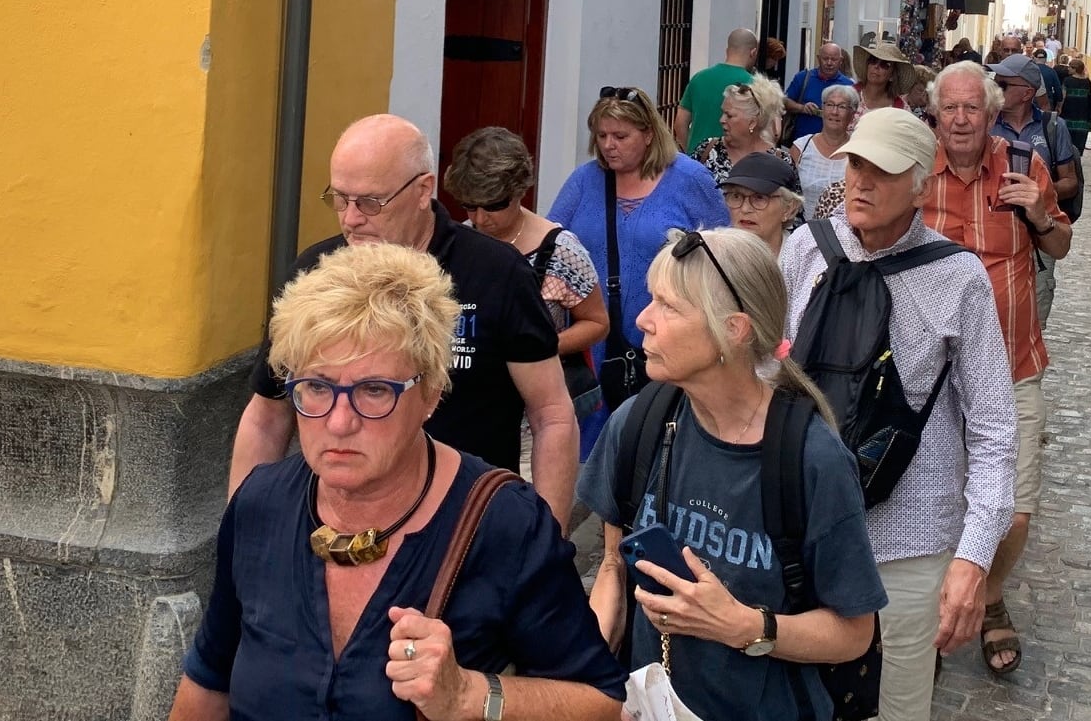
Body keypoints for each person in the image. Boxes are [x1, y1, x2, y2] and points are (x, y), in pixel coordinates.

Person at [169, 243, 626, 721]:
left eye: (374, 390)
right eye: (317, 387)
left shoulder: (506, 523)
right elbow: (208, 682)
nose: (339, 422)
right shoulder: (258, 507)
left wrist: (468, 695)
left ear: (429, 394)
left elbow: (602, 703)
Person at [580, 227, 886, 721]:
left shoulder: (812, 459)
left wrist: (741, 625)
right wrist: (593, 674)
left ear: (735, 330)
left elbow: (854, 633)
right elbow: (615, 565)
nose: (642, 319)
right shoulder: (638, 424)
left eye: (669, 306)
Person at [229, 115, 579, 533]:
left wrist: (548, 541)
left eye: (371, 202)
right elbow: (267, 415)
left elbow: (552, 414)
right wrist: (239, 532)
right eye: (340, 199)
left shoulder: (497, 273)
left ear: (422, 190)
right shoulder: (314, 274)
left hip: (467, 529)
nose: (351, 219)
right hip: (335, 528)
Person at [782, 108, 1019, 721]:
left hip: (909, 540)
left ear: (920, 183)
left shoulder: (958, 276)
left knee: (899, 703)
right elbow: (768, 377)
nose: (861, 180)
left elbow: (993, 428)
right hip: (801, 526)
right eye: (855, 163)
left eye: (881, 170)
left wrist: (974, 556)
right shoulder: (807, 247)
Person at [923, 62, 1072, 676]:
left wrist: (1040, 213)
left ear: (990, 113)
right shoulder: (912, 170)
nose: (960, 119)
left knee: (1013, 511)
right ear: (936, 114)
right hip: (928, 369)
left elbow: (1059, 245)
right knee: (931, 500)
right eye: (950, 109)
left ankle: (986, 595)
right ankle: (928, 607)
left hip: (1012, 362)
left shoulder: (1021, 165)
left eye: (972, 108)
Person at [548, 86, 729, 458]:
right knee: (589, 450)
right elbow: (550, 245)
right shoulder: (585, 181)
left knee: (655, 444)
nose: (608, 145)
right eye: (601, 136)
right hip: (591, 346)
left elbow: (723, 254)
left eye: (620, 136)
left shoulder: (689, 179)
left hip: (667, 339)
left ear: (648, 134)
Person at [442, 126, 610, 419]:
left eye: (494, 206)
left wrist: (535, 348)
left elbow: (597, 323)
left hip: (533, 419)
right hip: (465, 411)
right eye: (470, 207)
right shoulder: (457, 243)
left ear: (519, 191)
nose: (480, 218)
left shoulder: (561, 250)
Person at [987, 54, 1078, 329]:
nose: (995, 89)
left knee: (1035, 311)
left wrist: (1035, 194)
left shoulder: (1052, 127)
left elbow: (1070, 181)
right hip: (995, 228)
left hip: (1039, 230)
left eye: (1003, 85)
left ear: (1027, 92)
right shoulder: (986, 123)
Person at [690, 75, 795, 186]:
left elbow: (792, 202)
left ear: (752, 123)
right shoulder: (707, 150)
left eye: (729, 116)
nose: (721, 120)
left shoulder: (781, 162)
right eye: (723, 113)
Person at [674, 28, 758, 153]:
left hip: (699, 159)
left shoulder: (699, 78)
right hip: (735, 160)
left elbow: (680, 122)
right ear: (753, 52)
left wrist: (690, 152)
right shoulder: (755, 85)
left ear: (727, 50)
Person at [790, 84, 857, 221]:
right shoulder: (801, 147)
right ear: (823, 109)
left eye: (842, 107)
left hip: (845, 233)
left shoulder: (857, 152)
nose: (834, 112)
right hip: (803, 228)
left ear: (852, 114)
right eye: (830, 105)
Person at [720, 153, 803, 258]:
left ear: (789, 209)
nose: (745, 209)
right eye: (736, 196)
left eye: (759, 197)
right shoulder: (712, 257)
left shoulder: (805, 264)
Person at [782, 42, 854, 141]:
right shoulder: (803, 78)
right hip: (802, 142)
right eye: (825, 58)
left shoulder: (848, 85)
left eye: (834, 59)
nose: (829, 63)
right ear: (818, 58)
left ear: (841, 61)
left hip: (835, 143)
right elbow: (784, 102)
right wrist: (802, 108)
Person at [848, 42, 916, 132]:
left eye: (885, 64)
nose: (876, 66)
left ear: (892, 76)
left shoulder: (901, 109)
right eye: (873, 61)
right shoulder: (847, 96)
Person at [998, 35, 1051, 110]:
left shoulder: (1031, 73)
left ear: (1020, 51)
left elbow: (1044, 104)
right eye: (1006, 50)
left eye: (1014, 50)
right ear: (1000, 51)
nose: (1010, 53)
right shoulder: (993, 72)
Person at [1060, 57, 1091, 154]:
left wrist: (1059, 109)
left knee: (1068, 138)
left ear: (1075, 69)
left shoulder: (1067, 81)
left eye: (1070, 67)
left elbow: (1063, 97)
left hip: (1069, 112)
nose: (1068, 69)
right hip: (1083, 115)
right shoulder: (1087, 82)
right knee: (1079, 139)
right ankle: (1078, 156)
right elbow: (1090, 98)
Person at [1032, 48, 1065, 112]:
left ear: (1035, 58)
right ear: (1046, 59)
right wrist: (1059, 104)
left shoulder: (1029, 71)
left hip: (1031, 101)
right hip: (1047, 101)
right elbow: (1058, 88)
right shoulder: (1051, 71)